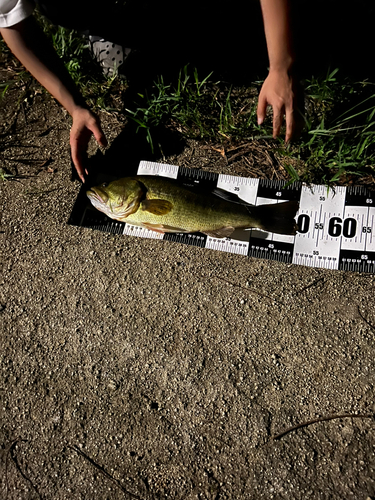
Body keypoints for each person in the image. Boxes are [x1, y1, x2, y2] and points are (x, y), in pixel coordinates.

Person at [0, 0, 299, 183]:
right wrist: (74, 106)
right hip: (115, 15)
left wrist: (279, 67)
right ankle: (112, 27)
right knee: (129, 59)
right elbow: (12, 22)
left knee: (239, 46)